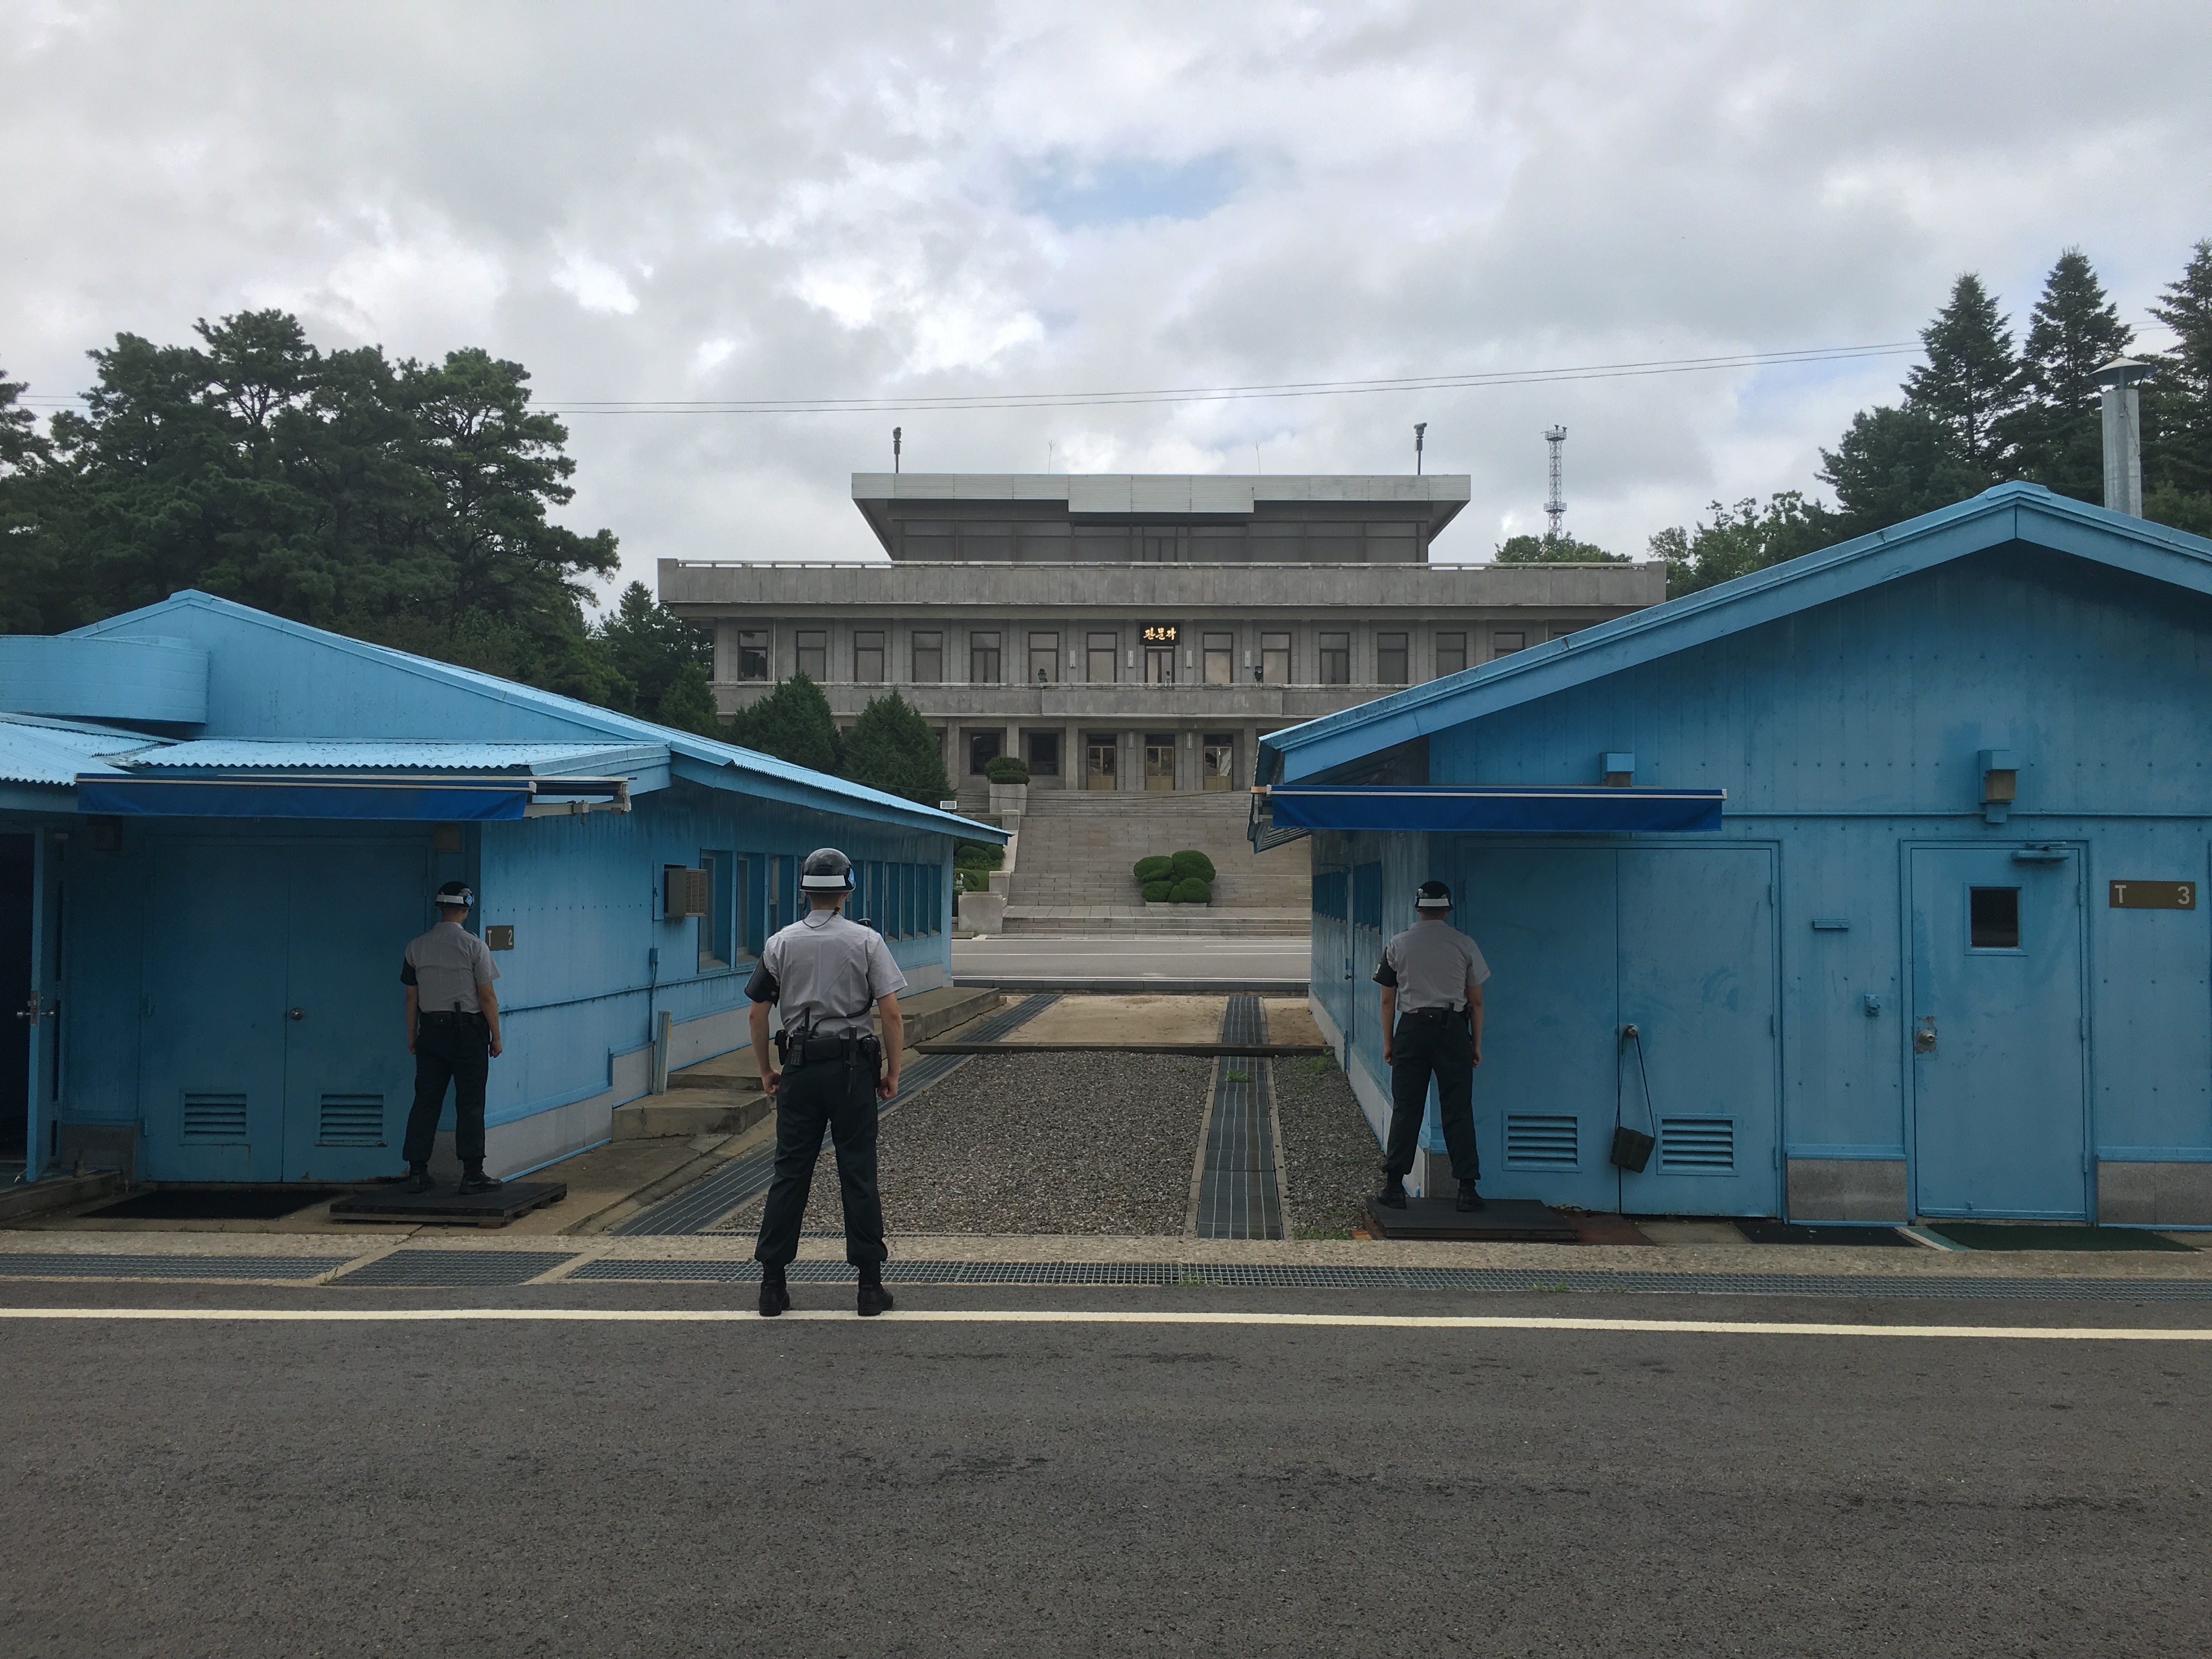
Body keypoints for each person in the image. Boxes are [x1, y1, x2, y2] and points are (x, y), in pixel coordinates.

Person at [748, 847, 907, 1318]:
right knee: (857, 1172)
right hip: (853, 1069)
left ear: (806, 891)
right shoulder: (866, 942)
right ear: (846, 891)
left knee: (790, 1173)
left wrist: (765, 1070)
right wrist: (892, 1072)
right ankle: (868, 1287)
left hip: (798, 1066)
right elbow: (891, 1013)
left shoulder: (780, 943)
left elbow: (758, 1011)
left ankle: (772, 1285)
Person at [1373, 878, 1489, 1214]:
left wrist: (1390, 1041)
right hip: (1453, 1030)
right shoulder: (1465, 945)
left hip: (1411, 1029)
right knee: (1457, 1109)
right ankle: (1466, 1190)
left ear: (1418, 909)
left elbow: (1386, 998)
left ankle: (1394, 1187)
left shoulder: (1398, 944)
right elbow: (1477, 1002)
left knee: (1407, 1108)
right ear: (1448, 910)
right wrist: (1475, 1044)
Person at [400, 880, 505, 1196]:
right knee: (470, 1102)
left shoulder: (416, 946)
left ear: (439, 907)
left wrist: (413, 1035)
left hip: (431, 1030)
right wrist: (496, 1037)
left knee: (425, 1101)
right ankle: (472, 1174)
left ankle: (417, 1172)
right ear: (467, 908)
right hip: (468, 1031)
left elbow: (410, 998)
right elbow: (487, 996)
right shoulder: (475, 946)